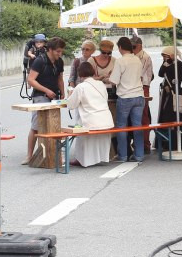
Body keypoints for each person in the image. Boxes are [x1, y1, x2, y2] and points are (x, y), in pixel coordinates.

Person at [24, 36, 66, 165]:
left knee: (54, 125)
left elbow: (59, 78)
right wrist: (46, 90)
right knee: (36, 126)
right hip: (40, 96)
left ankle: (52, 154)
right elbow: (30, 80)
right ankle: (29, 156)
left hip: (54, 97)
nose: (60, 53)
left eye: (61, 51)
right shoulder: (39, 61)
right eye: (58, 51)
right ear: (50, 50)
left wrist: (63, 93)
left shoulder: (59, 62)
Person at [63, 62, 114, 167]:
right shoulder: (101, 85)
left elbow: (71, 105)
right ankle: (101, 158)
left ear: (80, 74)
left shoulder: (81, 87)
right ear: (93, 72)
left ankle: (83, 160)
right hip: (106, 120)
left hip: (91, 122)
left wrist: (69, 95)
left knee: (80, 130)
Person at [109, 36, 145, 162]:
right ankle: (139, 155)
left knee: (121, 127)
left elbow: (113, 81)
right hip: (139, 96)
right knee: (137, 126)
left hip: (125, 97)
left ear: (120, 47)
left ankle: (123, 155)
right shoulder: (137, 60)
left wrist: (105, 77)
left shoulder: (120, 61)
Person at [157, 46, 182, 150]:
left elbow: (178, 77)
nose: (164, 58)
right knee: (164, 115)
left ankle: (176, 142)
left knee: (174, 115)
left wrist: (169, 64)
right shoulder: (166, 64)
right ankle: (164, 141)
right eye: (163, 57)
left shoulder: (179, 64)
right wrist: (166, 63)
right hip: (166, 93)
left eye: (166, 56)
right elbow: (160, 74)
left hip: (175, 92)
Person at [131, 35, 154, 152]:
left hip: (143, 87)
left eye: (133, 47)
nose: (132, 49)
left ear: (139, 46)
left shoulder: (144, 57)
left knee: (143, 115)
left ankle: (145, 144)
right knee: (136, 116)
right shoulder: (133, 56)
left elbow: (139, 74)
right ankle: (138, 142)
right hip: (136, 86)